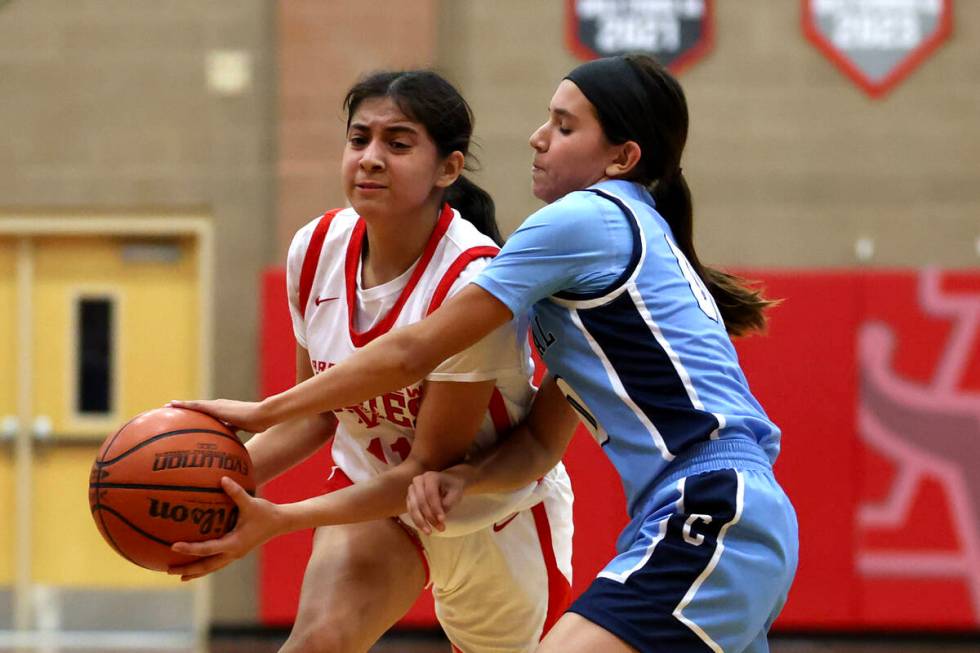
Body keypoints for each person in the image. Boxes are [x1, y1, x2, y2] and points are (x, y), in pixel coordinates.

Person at [174, 54, 798, 653]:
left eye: (563, 125)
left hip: (706, 508)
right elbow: (537, 440)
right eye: (358, 137)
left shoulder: (582, 221)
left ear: (621, 158)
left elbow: (412, 351)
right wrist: (467, 476)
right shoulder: (603, 287)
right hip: (710, 511)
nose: (536, 138)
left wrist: (259, 414)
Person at [169, 70, 574, 653]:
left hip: (487, 508)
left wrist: (277, 519)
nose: (371, 159)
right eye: (360, 140)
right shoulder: (314, 251)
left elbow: (427, 470)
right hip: (374, 495)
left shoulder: (472, 284)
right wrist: (213, 486)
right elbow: (318, 414)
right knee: (319, 643)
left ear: (449, 169)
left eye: (398, 143)